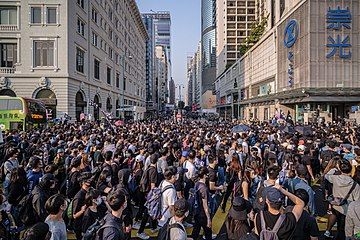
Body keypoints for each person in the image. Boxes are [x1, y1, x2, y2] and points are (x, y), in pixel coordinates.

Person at [325, 160, 360, 239]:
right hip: (347, 208)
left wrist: (335, 169)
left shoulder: (335, 178)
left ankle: (328, 232)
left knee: (334, 218)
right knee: (343, 228)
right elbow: (357, 200)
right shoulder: (355, 185)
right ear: (351, 170)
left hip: (336, 204)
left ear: (340, 169)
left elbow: (326, 175)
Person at [192, 167, 213, 240]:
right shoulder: (203, 188)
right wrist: (208, 218)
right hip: (203, 213)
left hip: (197, 211)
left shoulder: (197, 184)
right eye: (207, 174)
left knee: (196, 230)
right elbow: (205, 205)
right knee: (208, 232)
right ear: (204, 175)